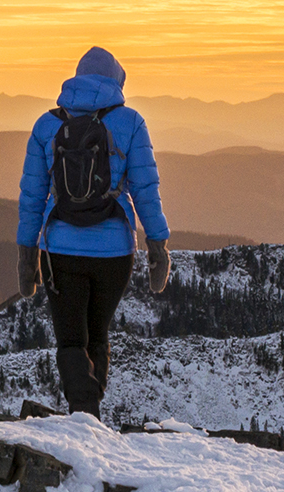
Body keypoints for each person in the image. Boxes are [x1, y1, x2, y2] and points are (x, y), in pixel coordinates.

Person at [16, 45, 171, 417]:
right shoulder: (130, 122)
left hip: (61, 249)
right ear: (115, 82)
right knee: (97, 334)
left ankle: (84, 414)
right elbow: (146, 190)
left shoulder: (46, 125)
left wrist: (26, 257)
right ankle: (89, 416)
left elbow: (32, 196)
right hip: (115, 252)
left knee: (71, 340)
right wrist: (158, 246)